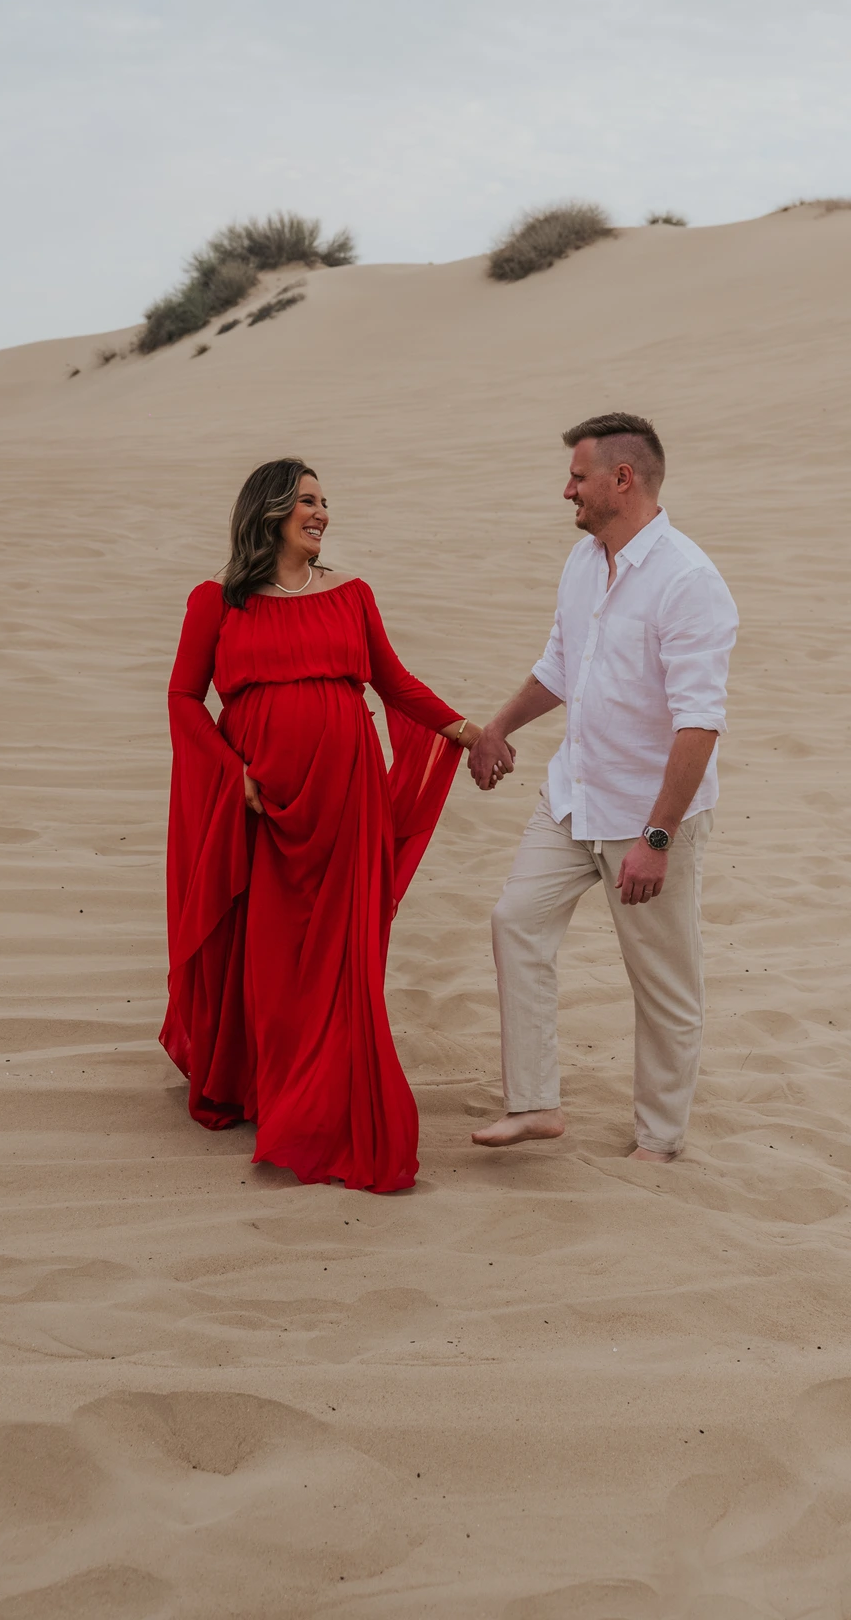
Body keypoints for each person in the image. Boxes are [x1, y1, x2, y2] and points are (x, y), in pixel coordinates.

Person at [162, 458, 482, 1193]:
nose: (321, 513)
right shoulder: (216, 602)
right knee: (272, 961)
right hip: (264, 805)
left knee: (340, 958)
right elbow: (184, 698)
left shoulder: (352, 596)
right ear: (269, 511)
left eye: (325, 502)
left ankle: (329, 1102)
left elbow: (393, 682)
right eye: (307, 500)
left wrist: (468, 732)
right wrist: (227, 774)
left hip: (347, 801)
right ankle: (271, 1091)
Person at [467, 413, 738, 1162]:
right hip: (570, 797)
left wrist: (656, 838)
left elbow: (697, 725)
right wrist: (498, 728)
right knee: (515, 920)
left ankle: (658, 1141)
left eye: (577, 478)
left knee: (661, 982)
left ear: (622, 478)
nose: (566, 492)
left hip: (647, 817)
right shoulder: (583, 562)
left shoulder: (688, 580)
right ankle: (534, 1104)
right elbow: (560, 665)